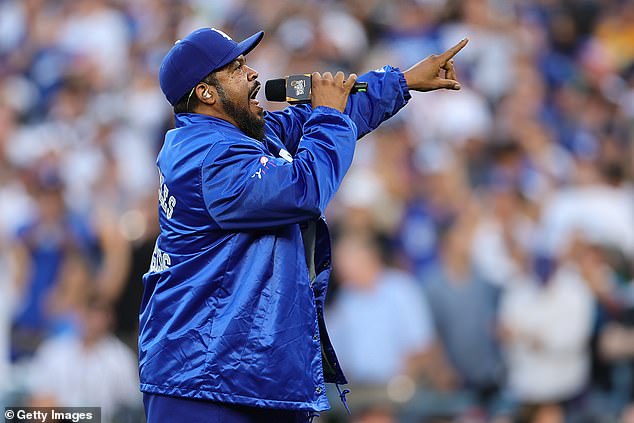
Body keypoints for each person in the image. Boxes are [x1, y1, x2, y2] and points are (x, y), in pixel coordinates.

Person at [139, 27, 468, 423]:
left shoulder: (235, 139)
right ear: (207, 93)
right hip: (204, 381)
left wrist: (402, 81)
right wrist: (327, 113)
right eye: (237, 67)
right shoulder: (211, 157)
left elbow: (314, 118)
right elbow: (304, 189)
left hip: (237, 374)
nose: (253, 74)